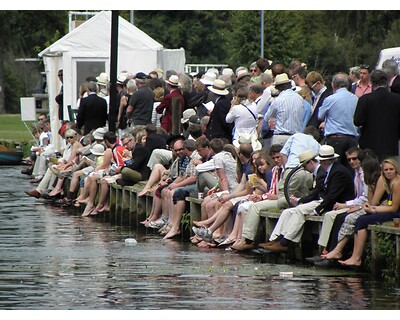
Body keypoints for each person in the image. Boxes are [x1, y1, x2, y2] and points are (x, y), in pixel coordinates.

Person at [263, 145, 355, 253]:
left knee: (299, 210)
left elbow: (330, 195)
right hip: (325, 201)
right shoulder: (329, 170)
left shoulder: (336, 172)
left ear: (324, 161)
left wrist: (317, 210)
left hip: (335, 203)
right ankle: (277, 239)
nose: (320, 163)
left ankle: (286, 242)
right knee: (288, 212)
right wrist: (300, 200)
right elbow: (319, 191)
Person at [322, 158, 400, 267]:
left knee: (362, 220)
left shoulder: (396, 183)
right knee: (359, 220)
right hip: (387, 209)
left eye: (391, 169)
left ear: (396, 170)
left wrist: (374, 209)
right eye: (386, 170)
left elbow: (393, 208)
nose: (388, 172)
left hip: (395, 214)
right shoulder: (388, 182)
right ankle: (353, 256)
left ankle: (356, 257)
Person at [354, 69, 400, 162]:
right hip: (390, 144)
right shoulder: (397, 99)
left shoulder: (365, 99)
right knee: (389, 172)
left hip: (369, 145)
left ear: (372, 82)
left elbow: (357, 121)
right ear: (386, 81)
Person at [318, 72, 358, 169]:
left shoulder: (330, 99)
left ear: (333, 85)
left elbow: (320, 116)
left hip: (335, 138)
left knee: (335, 169)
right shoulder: (356, 98)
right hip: (352, 138)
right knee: (351, 170)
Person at [263, 73, 304, 146]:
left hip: (280, 136)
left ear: (278, 88)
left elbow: (267, 117)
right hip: (296, 137)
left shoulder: (277, 100)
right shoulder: (300, 98)